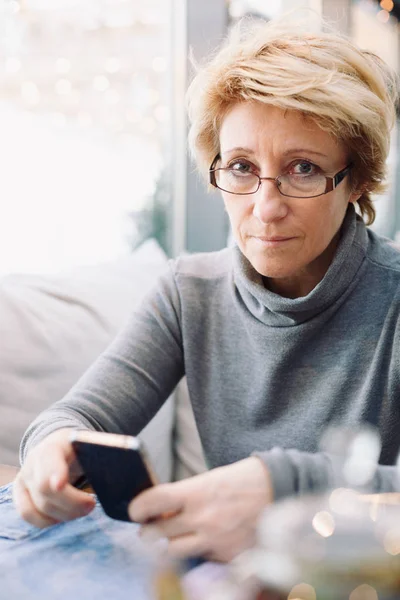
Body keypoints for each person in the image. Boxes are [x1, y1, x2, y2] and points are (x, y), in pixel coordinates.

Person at [13, 15, 400, 563]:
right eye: (241, 166)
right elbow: (78, 418)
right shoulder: (187, 291)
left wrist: (281, 485)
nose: (265, 208)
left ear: (356, 179)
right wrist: (50, 448)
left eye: (304, 168)